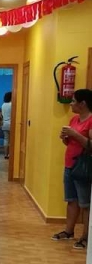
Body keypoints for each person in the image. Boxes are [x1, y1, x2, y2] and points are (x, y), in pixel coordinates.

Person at [51, 89, 92, 250]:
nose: (71, 104)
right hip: (70, 165)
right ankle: (69, 231)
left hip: (83, 168)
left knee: (85, 204)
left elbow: (90, 145)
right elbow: (71, 143)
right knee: (71, 200)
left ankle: (86, 236)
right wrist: (65, 138)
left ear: (83, 104)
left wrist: (74, 134)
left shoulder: (90, 121)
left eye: (74, 101)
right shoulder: (74, 119)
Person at [1, 91, 12, 159]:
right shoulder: (12, 104)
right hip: (10, 123)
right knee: (11, 140)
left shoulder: (3, 105)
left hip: (4, 124)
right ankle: (10, 154)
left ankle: (5, 154)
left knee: (6, 139)